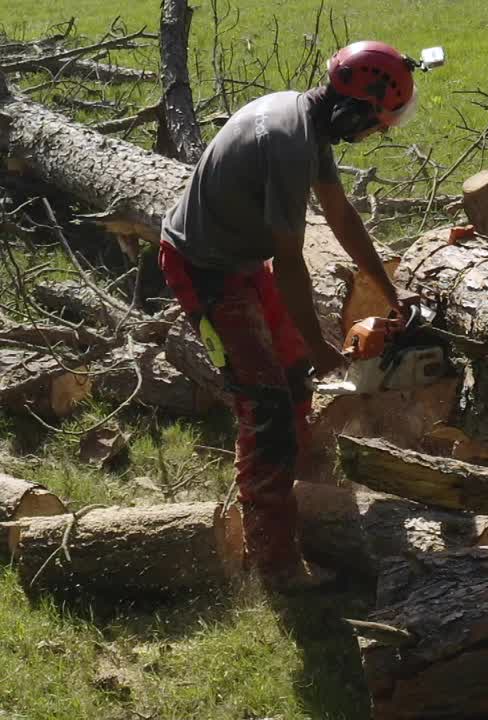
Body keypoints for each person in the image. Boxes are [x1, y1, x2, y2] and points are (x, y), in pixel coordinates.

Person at [158, 41, 420, 592]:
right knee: (266, 405)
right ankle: (274, 562)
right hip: (205, 270)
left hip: (241, 260)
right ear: (353, 108)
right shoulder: (285, 141)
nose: (376, 133)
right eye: (376, 123)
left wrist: (386, 288)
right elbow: (291, 260)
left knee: (293, 370)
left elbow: (341, 215)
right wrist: (321, 344)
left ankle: (306, 488)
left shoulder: (307, 120)